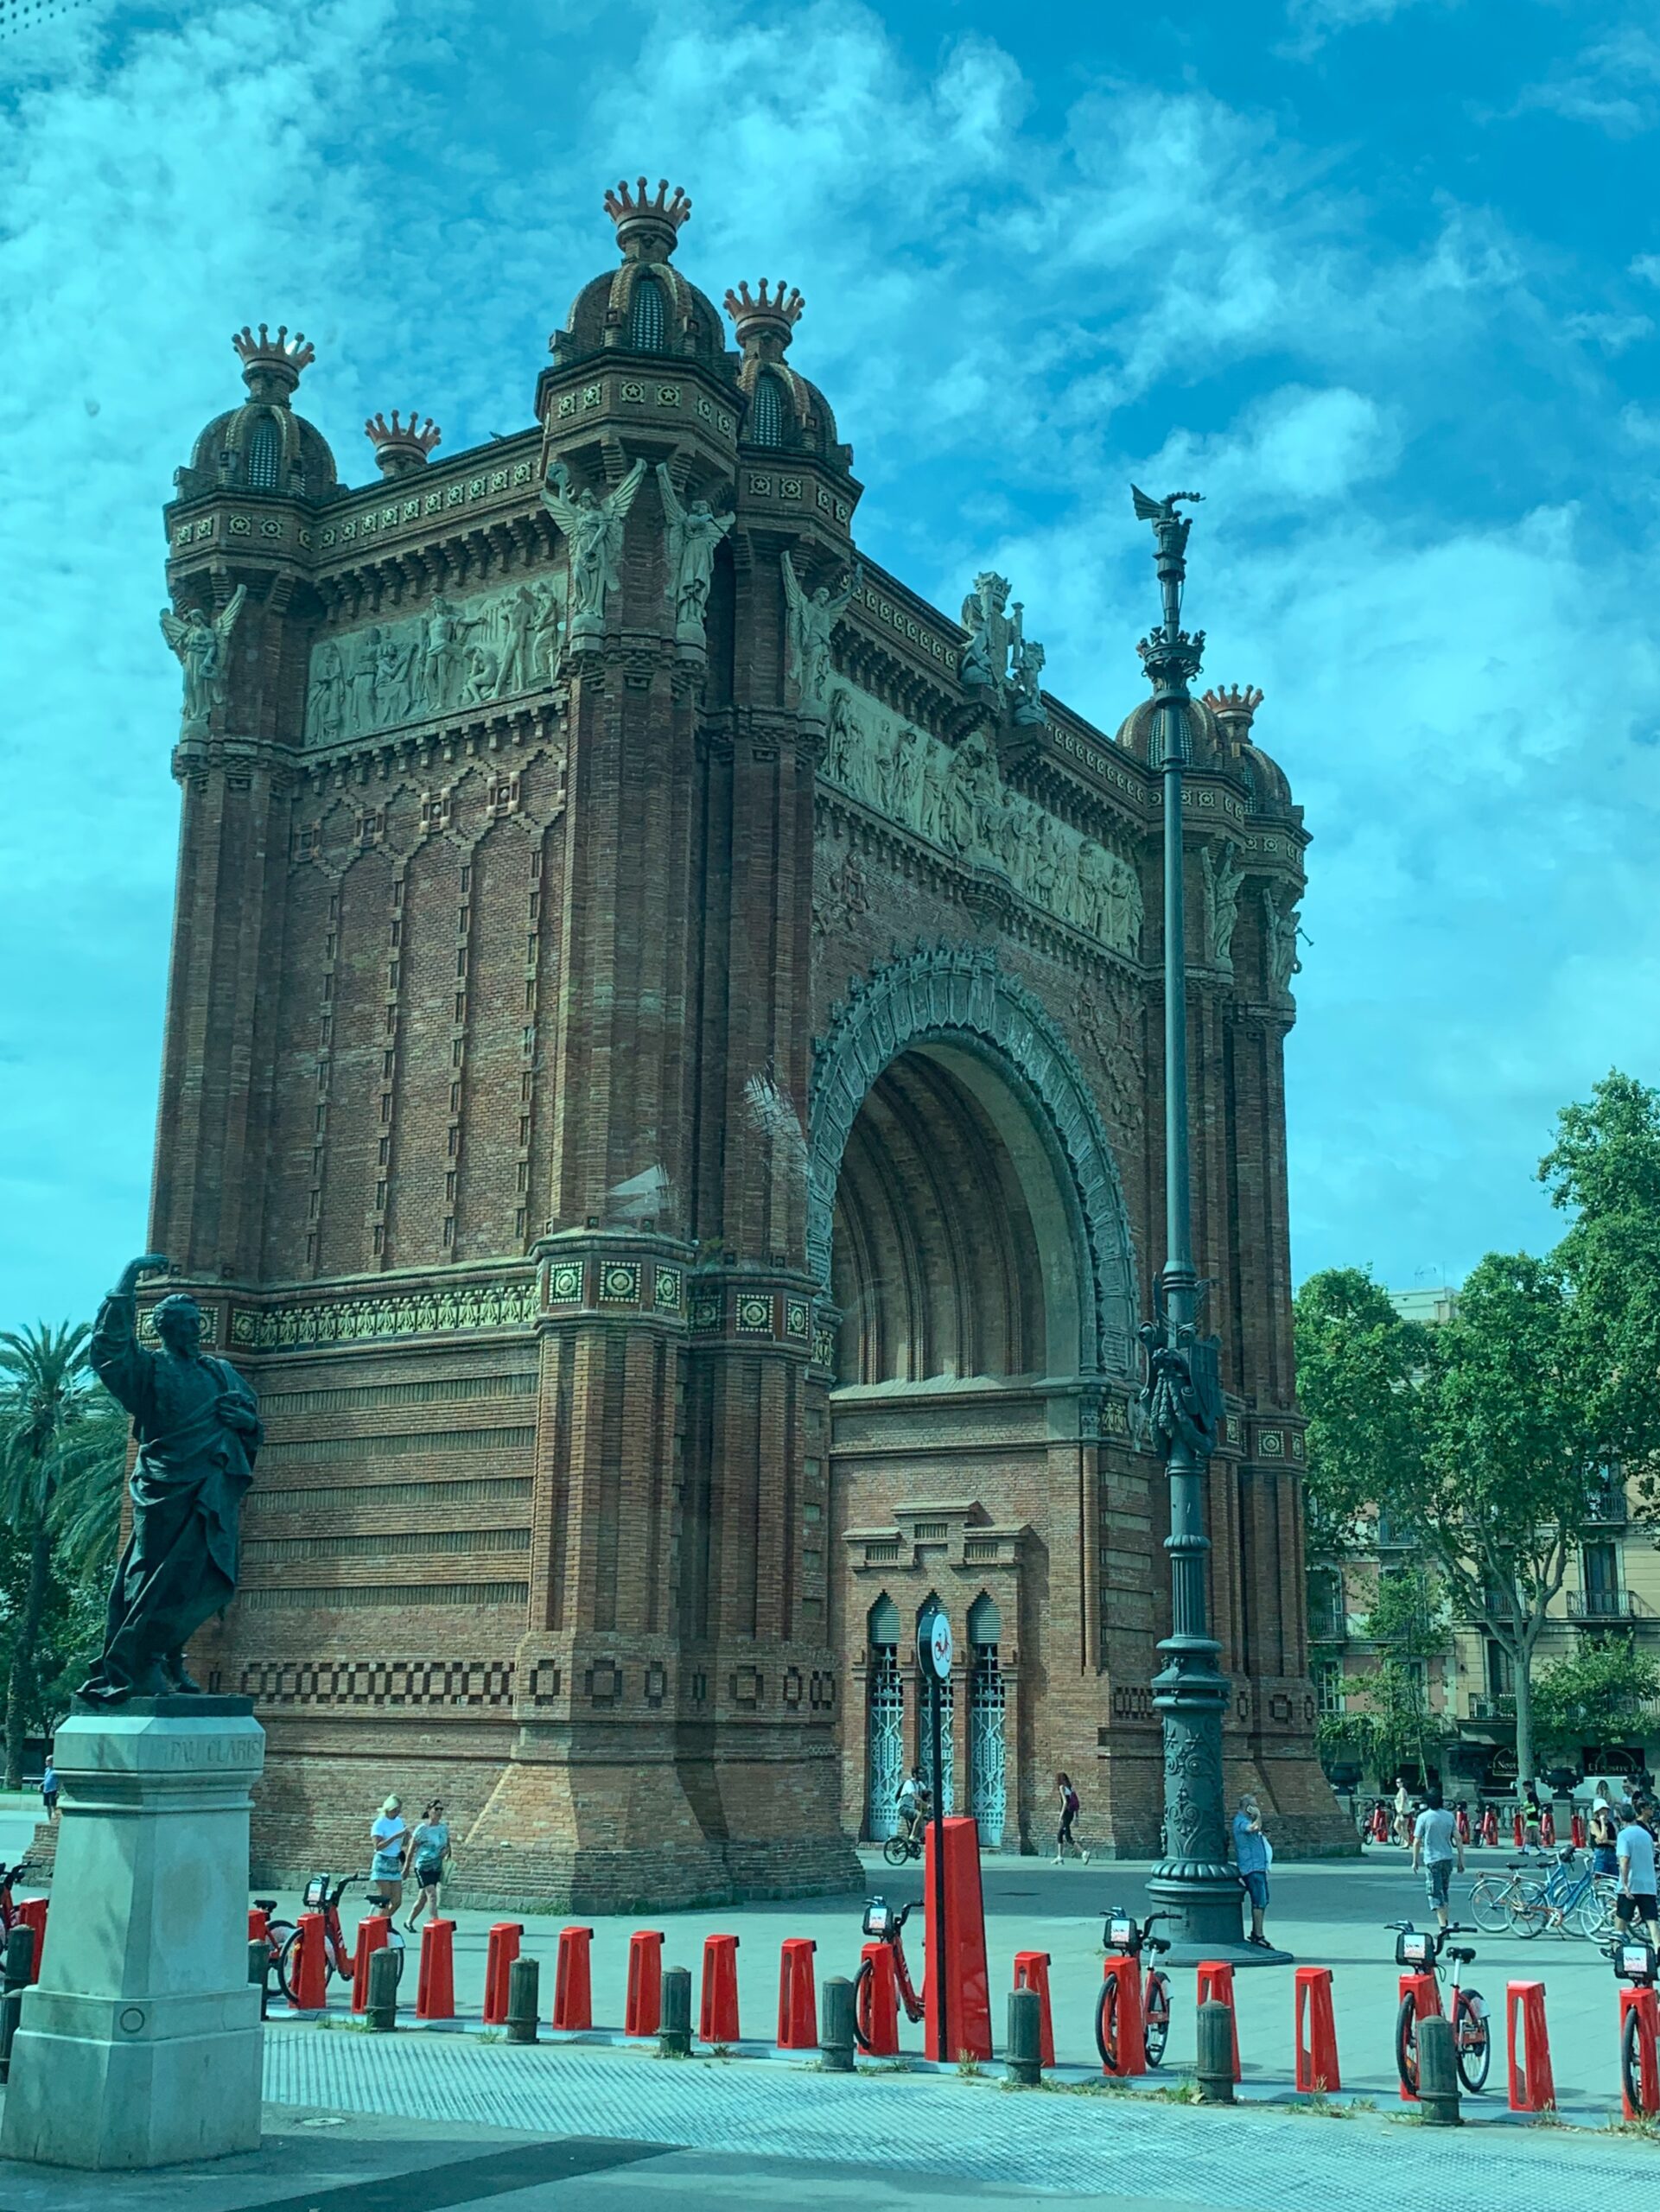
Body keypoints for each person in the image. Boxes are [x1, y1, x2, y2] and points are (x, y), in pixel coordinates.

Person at [1410, 1784, 1464, 1930]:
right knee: (1444, 1891)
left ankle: (1443, 1927)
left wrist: (1415, 1861)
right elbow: (1458, 1838)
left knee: (1435, 1893)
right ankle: (1445, 1922)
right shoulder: (1449, 1816)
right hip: (1447, 1858)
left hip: (1432, 1859)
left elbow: (1416, 1841)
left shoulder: (1423, 1817)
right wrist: (1461, 1860)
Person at [1614, 1793, 1660, 1948]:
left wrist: (1624, 1883)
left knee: (1622, 1917)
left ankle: (1616, 1946)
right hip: (1648, 1884)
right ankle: (1658, 1946)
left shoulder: (1623, 1835)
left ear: (1621, 1819)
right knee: (1651, 1919)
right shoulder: (1646, 1835)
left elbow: (1624, 1860)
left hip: (1631, 1884)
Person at [1233, 1793, 1274, 1948]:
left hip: (1258, 1867)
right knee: (1259, 1900)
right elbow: (1253, 1828)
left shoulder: (1247, 1820)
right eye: (1254, 1806)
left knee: (1263, 1900)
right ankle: (1258, 1934)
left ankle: (1257, 1932)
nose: (1257, 1808)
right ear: (1248, 1807)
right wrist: (1258, 1816)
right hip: (1252, 1868)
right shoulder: (1241, 1821)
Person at [405, 1799, 452, 1932]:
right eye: (436, 1809)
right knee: (432, 1894)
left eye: (441, 1809)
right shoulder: (422, 1829)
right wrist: (406, 1867)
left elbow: (448, 1845)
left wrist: (446, 1851)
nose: (439, 1812)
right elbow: (411, 1848)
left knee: (423, 1898)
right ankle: (436, 1924)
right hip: (423, 1866)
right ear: (429, 1810)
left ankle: (409, 1921)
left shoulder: (443, 1828)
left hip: (436, 1866)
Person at [370, 1795, 409, 1916]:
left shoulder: (399, 1821)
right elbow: (378, 1846)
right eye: (395, 1810)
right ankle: (382, 1924)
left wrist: (406, 1836)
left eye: (399, 1810)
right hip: (382, 1861)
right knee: (385, 1900)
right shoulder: (379, 1823)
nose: (397, 1813)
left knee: (397, 1901)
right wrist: (396, 1836)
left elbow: (403, 1843)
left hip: (395, 1862)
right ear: (388, 1809)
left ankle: (382, 1921)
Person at [1055, 1773, 1089, 1866]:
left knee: (1060, 1835)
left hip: (1066, 1814)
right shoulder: (1070, 1788)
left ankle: (1083, 1853)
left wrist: (1061, 1816)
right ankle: (1060, 1857)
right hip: (1071, 1814)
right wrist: (1076, 1817)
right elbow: (1076, 1803)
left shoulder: (1062, 1787)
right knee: (1067, 1837)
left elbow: (1065, 1802)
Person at [896, 1766, 928, 1847]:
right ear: (915, 1774)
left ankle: (910, 1843)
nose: (923, 1775)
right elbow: (916, 1797)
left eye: (923, 1773)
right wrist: (926, 1805)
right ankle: (912, 1836)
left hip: (910, 1808)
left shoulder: (919, 1783)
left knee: (923, 1819)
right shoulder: (909, 1783)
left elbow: (927, 1792)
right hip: (903, 1807)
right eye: (920, 1773)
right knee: (919, 1815)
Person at [1393, 1774, 1412, 1847]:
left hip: (1402, 1811)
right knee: (1404, 1828)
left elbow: (1403, 1799)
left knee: (1396, 1826)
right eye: (1396, 1782)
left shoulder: (1402, 1790)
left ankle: (1407, 1841)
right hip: (1405, 1811)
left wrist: (1400, 1808)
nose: (1397, 1784)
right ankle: (1406, 1843)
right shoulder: (1402, 1790)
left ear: (1402, 1783)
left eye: (1399, 1782)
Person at [40, 1758, 59, 1822]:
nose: (46, 1762)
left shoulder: (55, 1771)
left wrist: (58, 1791)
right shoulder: (46, 1770)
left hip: (53, 1790)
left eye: (47, 1761)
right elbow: (46, 1780)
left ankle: (56, 1819)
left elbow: (59, 1782)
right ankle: (49, 1819)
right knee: (48, 1806)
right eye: (46, 1761)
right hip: (46, 1790)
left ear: (51, 1762)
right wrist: (40, 1785)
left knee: (53, 1805)